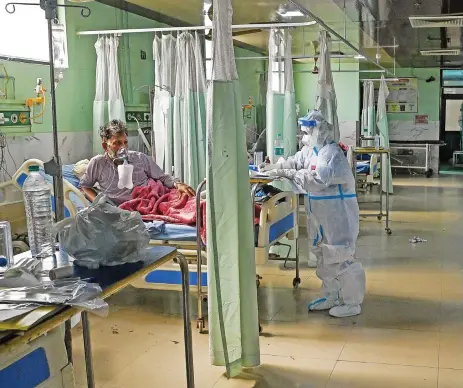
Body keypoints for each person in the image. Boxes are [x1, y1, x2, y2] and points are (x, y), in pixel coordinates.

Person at [261, 110, 365, 318]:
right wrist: (275, 167)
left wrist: (286, 173)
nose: (305, 136)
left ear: (321, 131)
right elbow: (294, 162)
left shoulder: (332, 154)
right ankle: (330, 294)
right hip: (317, 211)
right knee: (321, 253)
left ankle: (353, 302)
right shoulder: (310, 151)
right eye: (304, 132)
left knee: (339, 254)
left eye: (309, 131)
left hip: (337, 212)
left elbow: (317, 181)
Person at [81, 119, 195, 205]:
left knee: (193, 204)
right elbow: (85, 186)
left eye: (125, 142)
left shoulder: (140, 158)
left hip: (152, 200)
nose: (123, 148)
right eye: (117, 143)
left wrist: (178, 184)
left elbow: (163, 177)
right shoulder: (98, 163)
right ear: (105, 146)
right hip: (123, 209)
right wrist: (99, 203)